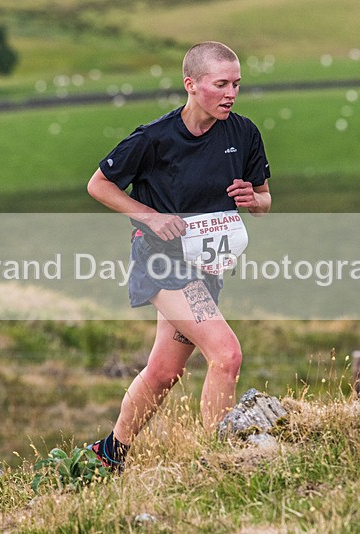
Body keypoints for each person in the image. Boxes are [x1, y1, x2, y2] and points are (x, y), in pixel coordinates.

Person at [86, 41, 271, 471]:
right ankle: (219, 463)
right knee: (226, 354)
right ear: (191, 84)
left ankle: (109, 454)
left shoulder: (243, 133)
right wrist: (149, 217)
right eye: (221, 84)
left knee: (163, 373)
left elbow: (265, 202)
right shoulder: (154, 138)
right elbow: (99, 184)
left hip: (207, 268)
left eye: (237, 84)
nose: (231, 93)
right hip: (161, 262)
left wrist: (253, 200)